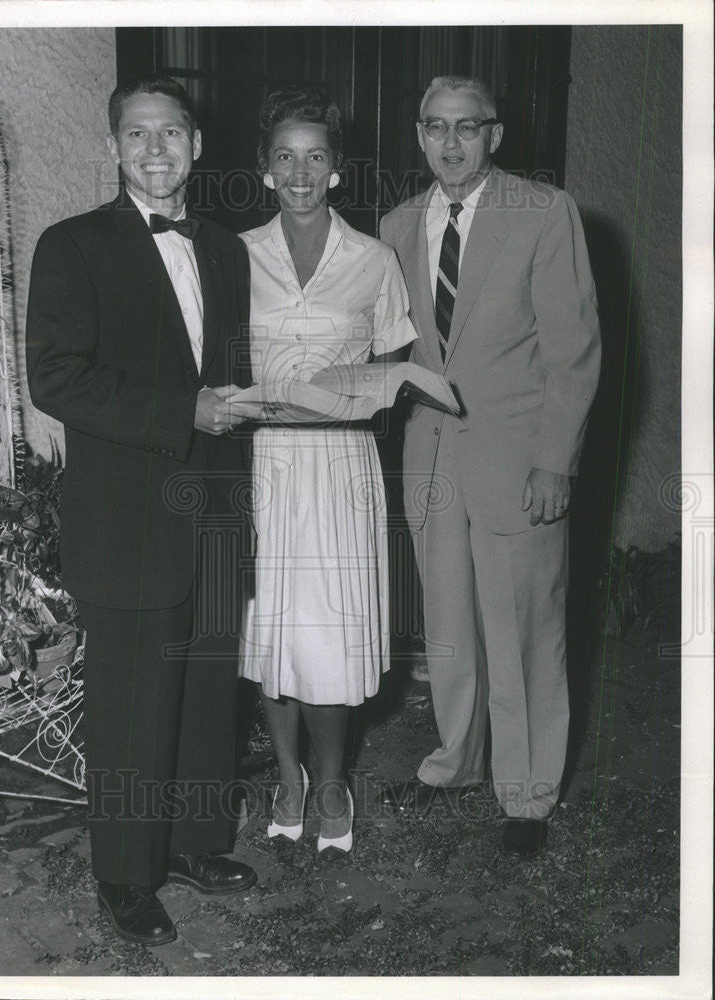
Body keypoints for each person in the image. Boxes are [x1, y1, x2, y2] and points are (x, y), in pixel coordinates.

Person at [26, 72, 257, 946]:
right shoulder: (72, 244)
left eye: (172, 134)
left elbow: (228, 381)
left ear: (197, 147)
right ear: (113, 149)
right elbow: (56, 379)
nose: (156, 150)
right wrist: (182, 412)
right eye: (137, 135)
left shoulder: (225, 250)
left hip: (213, 511)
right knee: (131, 701)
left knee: (205, 693)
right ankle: (125, 874)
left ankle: (195, 843)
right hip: (126, 517)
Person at [380, 75, 601, 857]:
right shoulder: (399, 224)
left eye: (466, 128)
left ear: (494, 136)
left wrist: (556, 462)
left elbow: (573, 353)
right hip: (432, 460)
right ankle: (455, 763)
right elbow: (396, 346)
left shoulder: (544, 214)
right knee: (449, 628)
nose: (449, 143)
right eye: (435, 127)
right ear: (418, 134)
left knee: (525, 628)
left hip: (517, 461)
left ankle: (529, 793)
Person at [238, 88, 417, 858]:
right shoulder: (234, 254)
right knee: (270, 629)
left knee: (330, 635)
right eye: (286, 157)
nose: (301, 171)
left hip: (342, 465)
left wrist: (354, 401)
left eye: (317, 157)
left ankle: (335, 780)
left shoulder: (374, 261)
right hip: (265, 462)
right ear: (265, 170)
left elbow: (395, 371)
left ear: (338, 171)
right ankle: (288, 777)